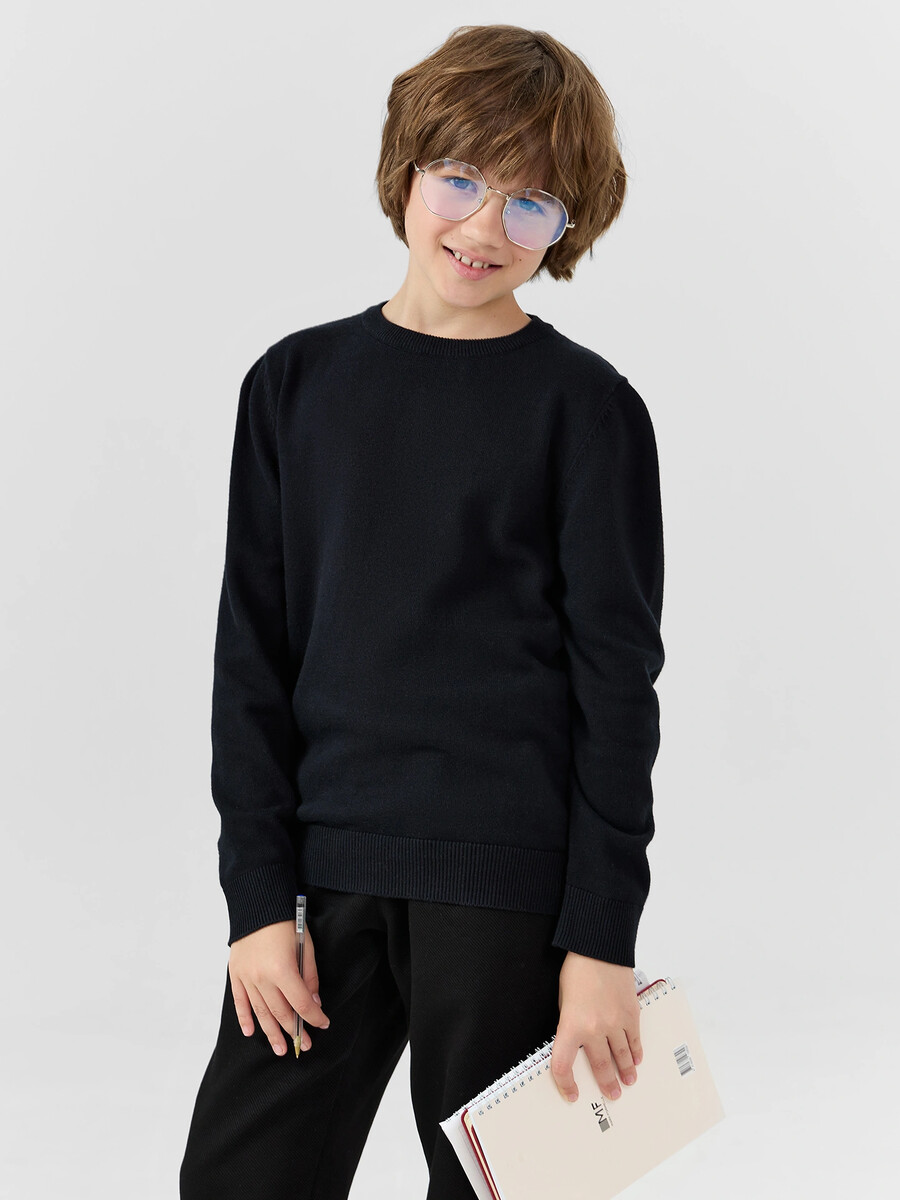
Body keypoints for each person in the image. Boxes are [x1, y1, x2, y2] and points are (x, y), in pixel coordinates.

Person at [179, 23, 665, 1200]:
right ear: (406, 170)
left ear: (566, 226)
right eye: (461, 179)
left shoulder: (588, 411)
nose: (485, 227)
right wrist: (257, 903)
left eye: (531, 202)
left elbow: (617, 691)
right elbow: (252, 662)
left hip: (508, 892)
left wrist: (600, 942)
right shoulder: (292, 386)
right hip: (322, 880)